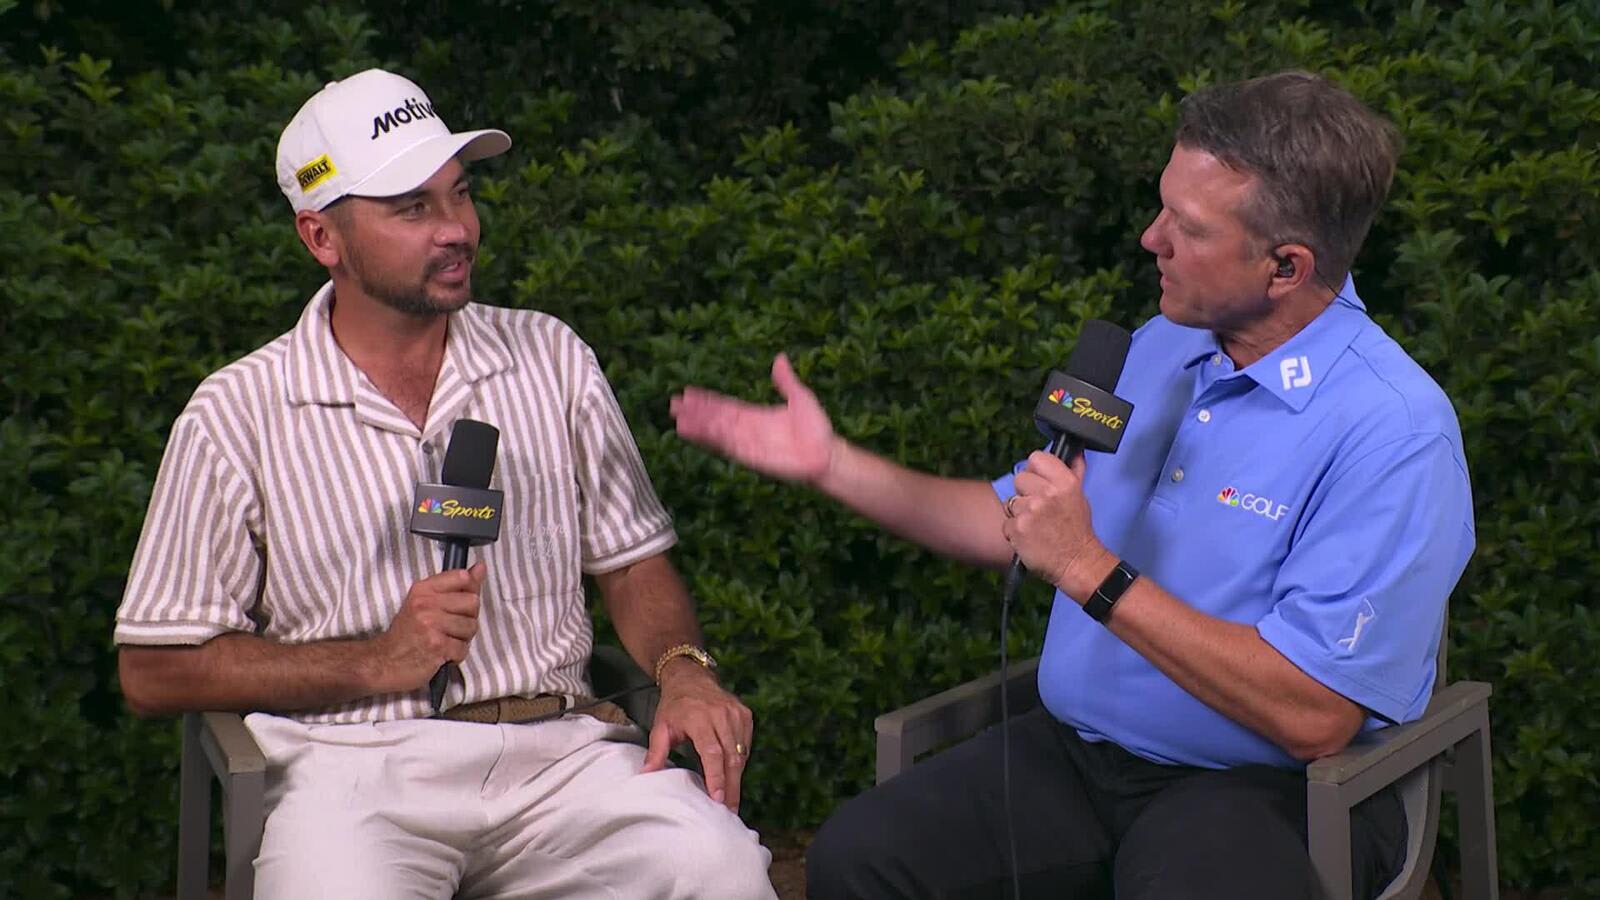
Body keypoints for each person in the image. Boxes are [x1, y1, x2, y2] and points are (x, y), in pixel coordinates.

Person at [671, 71, 1474, 899]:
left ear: (1286, 267)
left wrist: (1089, 568)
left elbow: (1314, 716)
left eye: (1188, 227)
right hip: (1078, 759)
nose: (1151, 238)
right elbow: (1014, 520)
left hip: (1268, 791)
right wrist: (834, 463)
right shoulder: (1159, 347)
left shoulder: (1392, 429)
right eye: (1161, 206)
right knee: (860, 858)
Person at [116, 68, 776, 900]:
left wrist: (684, 671)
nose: (457, 228)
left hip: (562, 759)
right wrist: (375, 661)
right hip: (354, 773)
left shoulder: (551, 357)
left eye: (460, 193)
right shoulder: (236, 413)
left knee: (721, 869)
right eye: (412, 208)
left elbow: (634, 564)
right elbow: (154, 670)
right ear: (322, 237)